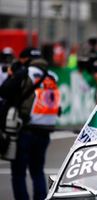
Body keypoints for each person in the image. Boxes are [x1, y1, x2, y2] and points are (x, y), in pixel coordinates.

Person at [0, 48, 60, 200]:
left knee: (18, 173)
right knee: (37, 171)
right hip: (45, 131)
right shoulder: (52, 75)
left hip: (24, 130)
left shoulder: (25, 72)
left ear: (24, 59)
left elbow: (4, 91)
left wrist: (11, 75)